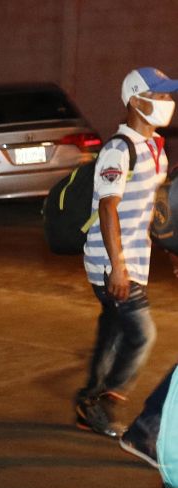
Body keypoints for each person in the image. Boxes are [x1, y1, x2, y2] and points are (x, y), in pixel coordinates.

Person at [75, 67, 174, 438]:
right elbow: (107, 207)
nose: (168, 103)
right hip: (111, 262)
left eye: (168, 96)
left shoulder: (155, 150)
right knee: (142, 334)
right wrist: (118, 267)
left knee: (114, 330)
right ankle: (106, 404)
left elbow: (152, 211)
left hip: (134, 260)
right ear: (135, 100)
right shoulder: (119, 149)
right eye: (160, 96)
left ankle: (89, 397)